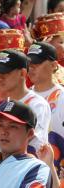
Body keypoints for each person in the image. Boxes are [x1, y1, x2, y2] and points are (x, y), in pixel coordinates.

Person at [0, 49, 51, 155]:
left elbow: (31, 142)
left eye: (5, 72)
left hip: (30, 169)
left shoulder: (37, 104)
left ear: (22, 73)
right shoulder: (6, 104)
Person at [27, 42, 64, 176]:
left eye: (36, 63)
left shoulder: (61, 97)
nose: (31, 68)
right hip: (29, 175)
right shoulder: (22, 98)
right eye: (29, 64)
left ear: (54, 65)